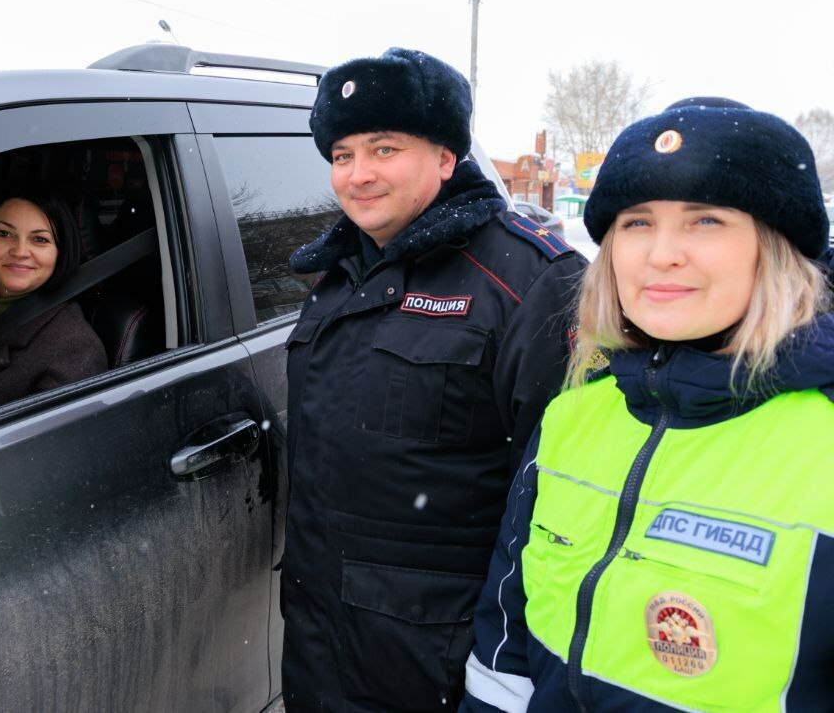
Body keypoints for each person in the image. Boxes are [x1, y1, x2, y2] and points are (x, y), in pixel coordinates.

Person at [463, 98, 834, 711]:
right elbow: (507, 642)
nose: (662, 253)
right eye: (637, 223)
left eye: (705, 220)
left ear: (774, 249)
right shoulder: (574, 415)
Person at [282, 48, 587, 711]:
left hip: (438, 658)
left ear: (446, 158)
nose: (358, 174)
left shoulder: (529, 281)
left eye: (384, 148)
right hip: (320, 642)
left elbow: (566, 498)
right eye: (341, 156)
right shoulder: (334, 279)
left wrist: (512, 665)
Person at [0, 192, 106, 409]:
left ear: (59, 253)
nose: (20, 251)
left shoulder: (76, 348)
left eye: (40, 239)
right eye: (4, 233)